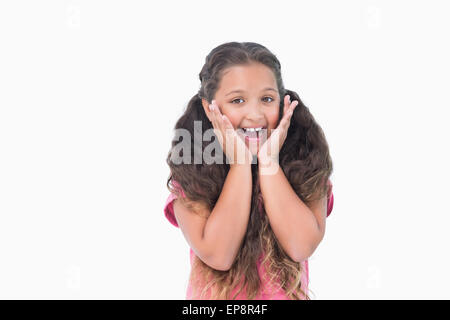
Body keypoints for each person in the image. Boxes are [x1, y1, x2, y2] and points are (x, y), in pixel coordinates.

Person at [164, 42, 334, 300]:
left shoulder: (307, 165)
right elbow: (219, 255)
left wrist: (268, 162)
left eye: (267, 99)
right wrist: (240, 165)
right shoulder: (190, 176)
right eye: (237, 100)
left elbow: (301, 246)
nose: (254, 115)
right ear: (210, 108)